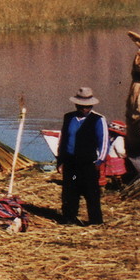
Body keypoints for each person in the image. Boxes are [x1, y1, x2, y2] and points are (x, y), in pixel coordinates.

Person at [57, 87, 109, 227]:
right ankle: (69, 218)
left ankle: (95, 221)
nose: (85, 109)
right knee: (70, 190)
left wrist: (99, 162)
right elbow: (64, 139)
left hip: (88, 164)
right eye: (82, 106)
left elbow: (103, 142)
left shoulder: (98, 120)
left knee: (91, 193)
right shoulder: (69, 117)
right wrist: (60, 160)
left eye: (88, 107)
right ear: (76, 105)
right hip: (71, 163)